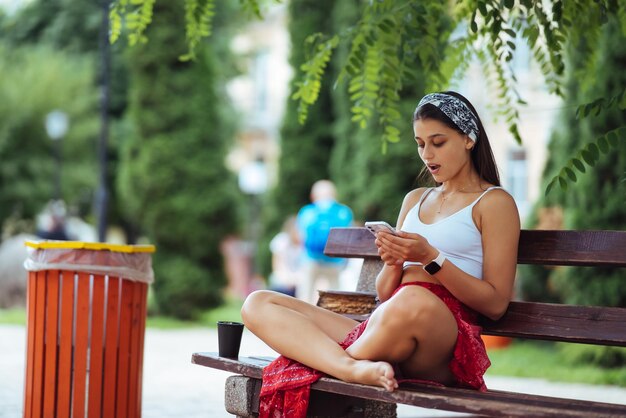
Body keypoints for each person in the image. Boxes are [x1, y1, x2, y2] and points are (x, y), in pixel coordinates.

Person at [241, 91, 520, 417]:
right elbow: (386, 295)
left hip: (441, 341)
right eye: (420, 143)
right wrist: (393, 261)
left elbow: (496, 304)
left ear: (469, 138)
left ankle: (335, 362)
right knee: (258, 303)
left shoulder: (494, 202)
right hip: (388, 323)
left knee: (413, 300)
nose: (427, 154)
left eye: (438, 142)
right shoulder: (415, 199)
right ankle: (349, 367)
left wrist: (432, 257)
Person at [295, 180, 353, 303]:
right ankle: (335, 318)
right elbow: (349, 236)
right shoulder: (344, 211)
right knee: (336, 295)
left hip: (311, 258)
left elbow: (301, 236)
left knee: (306, 294)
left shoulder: (306, 211)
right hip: (335, 259)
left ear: (313, 195)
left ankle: (301, 317)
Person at [267, 216, 303, 297]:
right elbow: (277, 265)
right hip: (283, 280)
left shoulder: (304, 246)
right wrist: (287, 279)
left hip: (299, 280)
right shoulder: (281, 241)